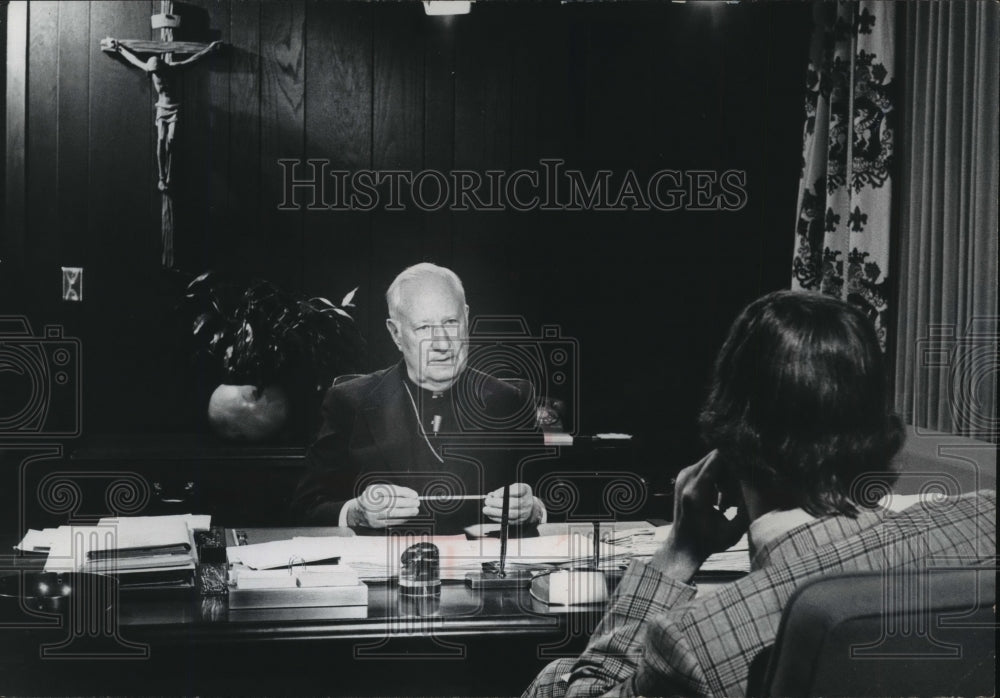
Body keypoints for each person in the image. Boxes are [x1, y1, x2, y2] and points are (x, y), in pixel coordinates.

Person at [525, 290, 996, 697]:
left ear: (730, 438)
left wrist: (676, 556)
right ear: (876, 425)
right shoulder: (987, 520)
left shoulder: (695, 643)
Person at [292, 263, 546, 534]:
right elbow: (303, 509)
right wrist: (357, 513)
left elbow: (553, 499)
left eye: (451, 322)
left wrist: (533, 508)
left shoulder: (511, 400)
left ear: (467, 319)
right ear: (396, 334)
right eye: (424, 327)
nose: (442, 343)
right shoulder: (348, 401)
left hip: (484, 571)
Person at [100, 38, 222, 191]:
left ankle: (170, 175)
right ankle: (161, 177)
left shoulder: (173, 68)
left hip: (174, 108)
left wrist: (210, 49)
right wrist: (117, 47)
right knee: (161, 140)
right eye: (153, 73)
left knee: (171, 140)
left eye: (157, 71)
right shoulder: (150, 69)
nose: (155, 75)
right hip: (161, 108)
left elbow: (192, 60)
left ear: (162, 68)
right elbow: (133, 59)